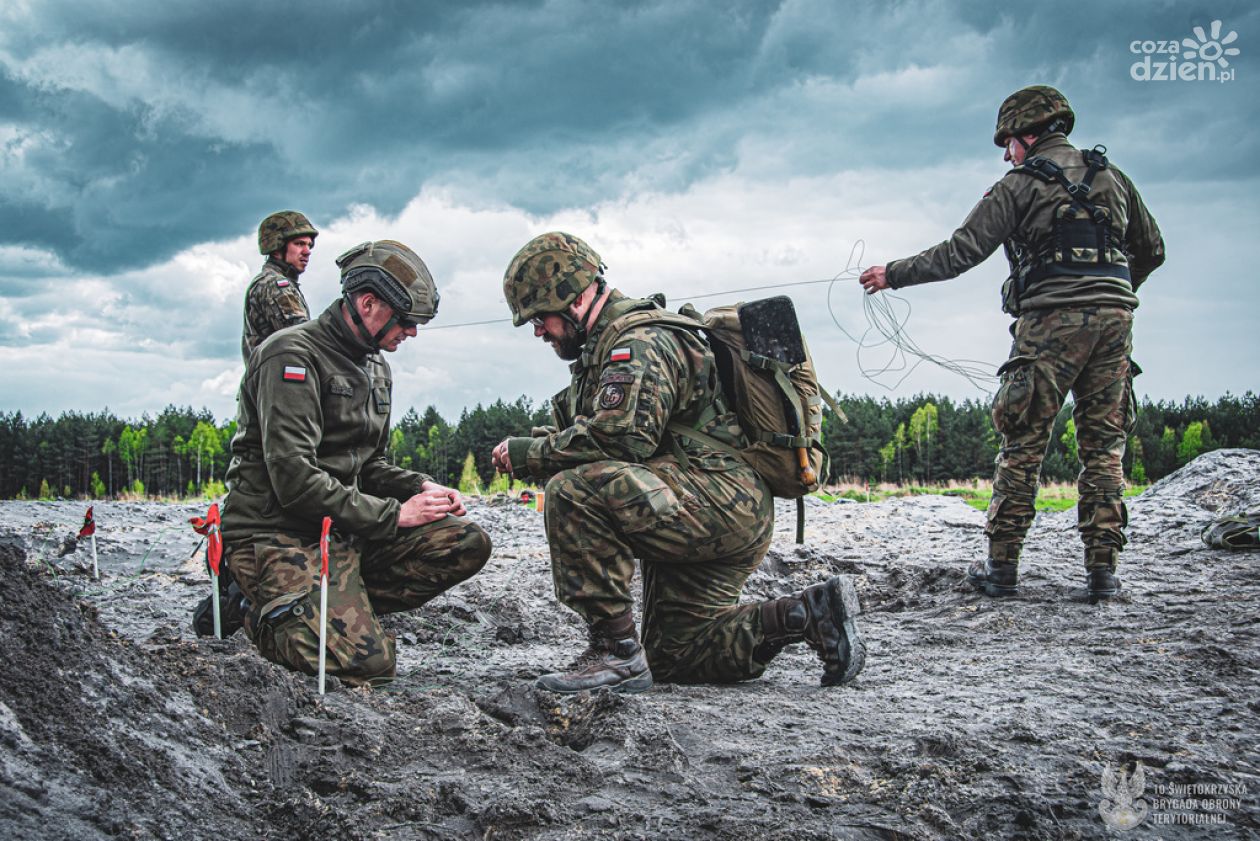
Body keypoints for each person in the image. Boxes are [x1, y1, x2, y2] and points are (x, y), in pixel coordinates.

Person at [492, 231, 865, 694]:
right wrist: (534, 445)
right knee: (678, 654)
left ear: (573, 298)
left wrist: (532, 456)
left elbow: (622, 439)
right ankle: (805, 614)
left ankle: (614, 653)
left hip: (717, 501)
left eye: (539, 317)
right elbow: (609, 427)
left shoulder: (641, 342)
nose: (538, 331)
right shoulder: (607, 348)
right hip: (709, 503)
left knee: (572, 491)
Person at [858, 85, 1165, 602]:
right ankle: (1102, 572)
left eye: (1008, 143)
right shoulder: (1114, 178)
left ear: (1028, 133)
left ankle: (1001, 568)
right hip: (1116, 323)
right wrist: (1109, 292)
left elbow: (961, 252)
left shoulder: (1019, 186)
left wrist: (892, 274)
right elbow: (1151, 250)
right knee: (1104, 449)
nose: (1006, 154)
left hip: (1047, 325)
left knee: (1022, 443)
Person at [217, 240, 492, 685]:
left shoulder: (376, 367)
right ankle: (253, 613)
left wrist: (419, 488)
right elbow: (295, 479)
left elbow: (369, 466)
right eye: (406, 322)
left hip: (342, 529)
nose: (412, 333)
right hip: (276, 534)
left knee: (464, 541)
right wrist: (394, 514)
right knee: (368, 666)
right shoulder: (291, 355)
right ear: (368, 304)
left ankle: (337, 606)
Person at [241, 211, 319, 363]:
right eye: (299, 244)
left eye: (309, 245)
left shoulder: (274, 282)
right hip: (280, 383)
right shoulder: (274, 285)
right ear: (277, 248)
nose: (307, 251)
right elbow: (305, 339)